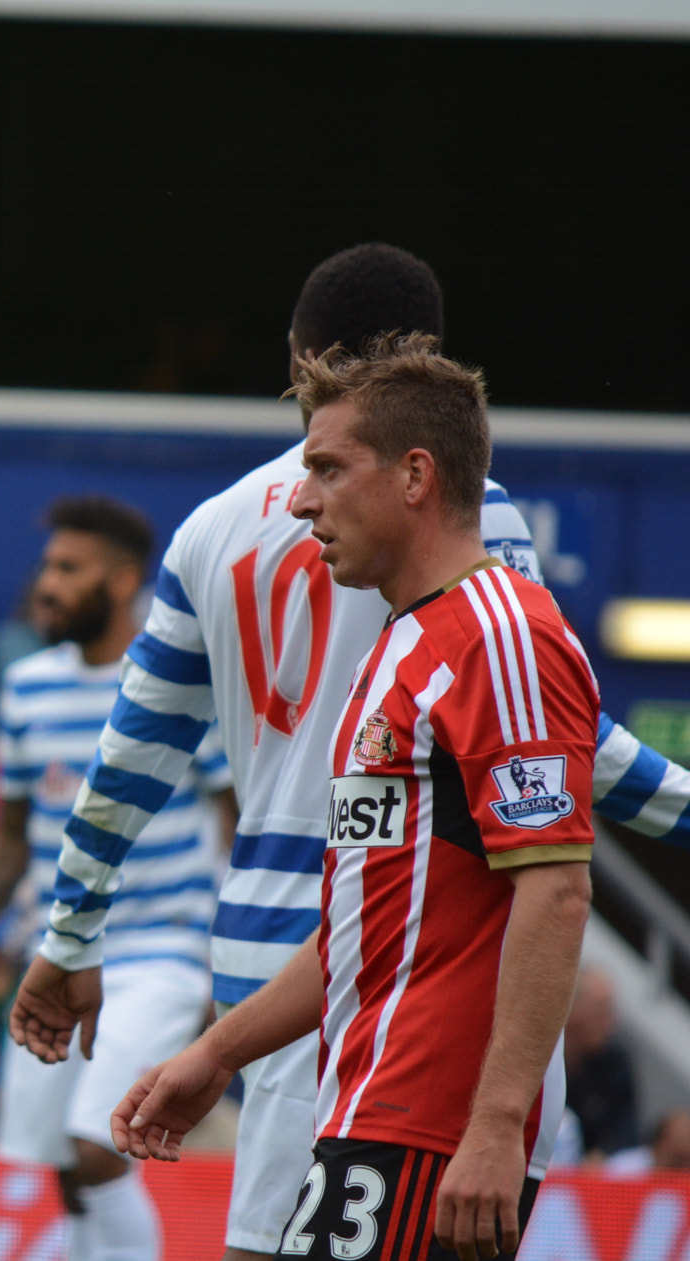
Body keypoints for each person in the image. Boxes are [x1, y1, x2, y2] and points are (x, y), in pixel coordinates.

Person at [10, 244, 690, 1261]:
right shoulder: (410, 613)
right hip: (340, 950)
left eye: (327, 470)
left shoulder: (224, 533)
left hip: (389, 974)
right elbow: (578, 751)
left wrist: (71, 931)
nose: (300, 496)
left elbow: (130, 757)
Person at [112, 339, 598, 1261]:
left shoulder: (501, 637)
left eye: (328, 469)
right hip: (369, 1099)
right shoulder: (398, 648)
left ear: (416, 476)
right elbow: (362, 922)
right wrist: (218, 1052)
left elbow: (558, 891)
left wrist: (496, 1121)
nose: (301, 501)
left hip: (438, 1123)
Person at [0, 495, 232, 1261]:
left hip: (164, 948)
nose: (46, 585)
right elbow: (10, 841)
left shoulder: (186, 681)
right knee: (65, 1166)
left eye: (68, 568)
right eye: (46, 566)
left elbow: (237, 817)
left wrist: (235, 957)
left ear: (124, 581)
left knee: (99, 1146)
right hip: (62, 954)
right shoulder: (26, 685)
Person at [561, 968, 638, 1161]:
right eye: (601, 1012)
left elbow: (626, 1129)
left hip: (595, 1179)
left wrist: (603, 1154)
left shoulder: (614, 1063)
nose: (610, 1022)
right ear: (571, 1010)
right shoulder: (538, 1059)